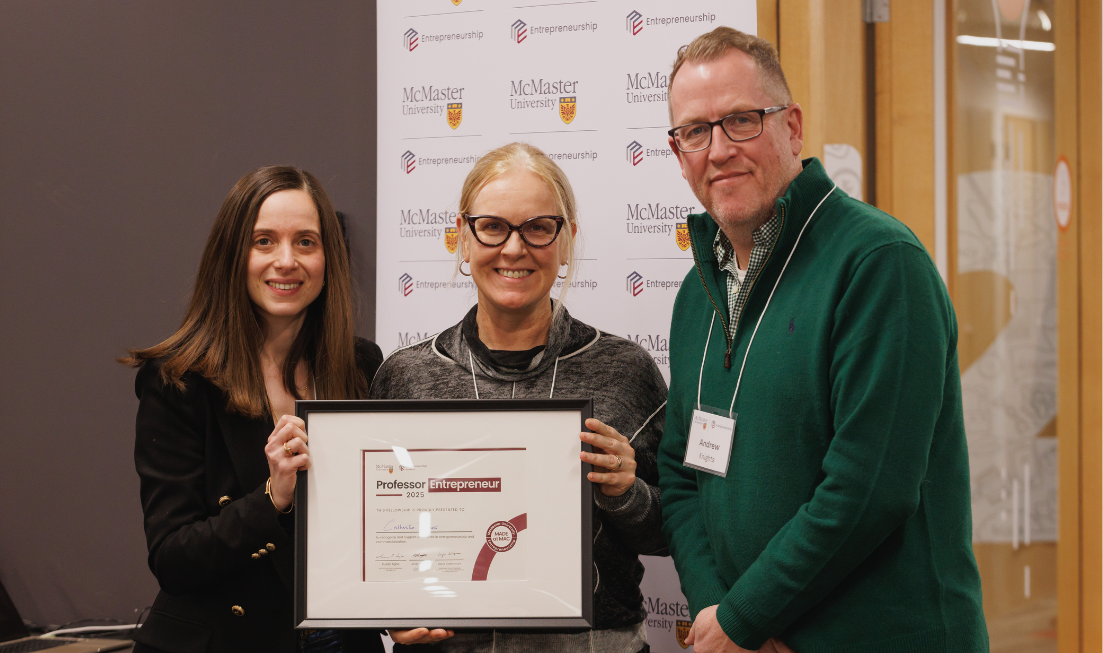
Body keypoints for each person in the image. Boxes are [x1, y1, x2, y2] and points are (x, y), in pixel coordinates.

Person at [656, 27, 988, 653]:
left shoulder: (879, 264)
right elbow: (679, 472)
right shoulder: (696, 292)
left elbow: (869, 489)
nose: (719, 149)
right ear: (679, 152)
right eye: (695, 131)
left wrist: (743, 619)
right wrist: (718, 613)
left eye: (742, 121)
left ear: (793, 127)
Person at [370, 142, 668, 653]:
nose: (513, 248)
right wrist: (384, 608)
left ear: (567, 238)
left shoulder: (625, 370)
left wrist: (626, 491)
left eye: (537, 227)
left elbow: (672, 534)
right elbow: (376, 534)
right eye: (492, 227)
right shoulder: (407, 376)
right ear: (462, 237)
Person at [122, 166, 385, 653]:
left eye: (306, 242)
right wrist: (271, 499)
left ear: (329, 258)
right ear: (233, 255)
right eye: (264, 241)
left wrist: (404, 607)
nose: (286, 261)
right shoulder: (178, 380)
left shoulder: (362, 365)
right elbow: (173, 559)